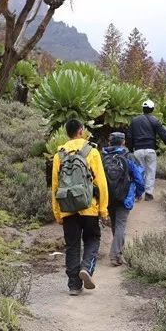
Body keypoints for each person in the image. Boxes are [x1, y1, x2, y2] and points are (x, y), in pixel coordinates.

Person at [51, 119, 110, 295]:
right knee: (92, 239)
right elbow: (101, 182)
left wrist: (58, 214)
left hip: (68, 208)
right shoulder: (91, 152)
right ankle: (86, 268)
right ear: (81, 131)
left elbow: (55, 187)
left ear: (67, 133)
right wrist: (103, 209)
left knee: (72, 245)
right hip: (89, 207)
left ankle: (74, 285)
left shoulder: (58, 155)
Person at [101, 132, 146, 266]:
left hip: (107, 196)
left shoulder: (103, 157)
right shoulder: (128, 156)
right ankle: (115, 255)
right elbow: (139, 176)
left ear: (110, 142)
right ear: (123, 142)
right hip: (124, 196)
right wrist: (139, 192)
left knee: (116, 224)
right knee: (120, 225)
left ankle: (119, 252)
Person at [127, 99, 166, 200]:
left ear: (143, 109)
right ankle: (148, 193)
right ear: (152, 109)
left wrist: (130, 149)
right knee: (151, 171)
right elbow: (163, 134)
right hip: (150, 150)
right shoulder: (155, 120)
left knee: (138, 172)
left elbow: (129, 136)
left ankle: (138, 194)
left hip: (137, 150)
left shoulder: (134, 120)